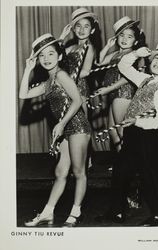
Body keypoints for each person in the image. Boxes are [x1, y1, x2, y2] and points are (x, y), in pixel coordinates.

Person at [96, 42, 158, 226]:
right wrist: (136, 53)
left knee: (149, 175)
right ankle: (117, 211)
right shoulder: (144, 79)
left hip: (148, 137)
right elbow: (123, 66)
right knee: (120, 171)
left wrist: (138, 121)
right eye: (156, 57)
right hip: (133, 134)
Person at [19, 33, 91, 227]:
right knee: (60, 172)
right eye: (42, 55)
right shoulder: (47, 82)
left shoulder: (61, 75)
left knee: (79, 171)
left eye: (51, 54)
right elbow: (23, 94)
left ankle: (76, 213)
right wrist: (28, 69)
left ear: (59, 57)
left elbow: (77, 101)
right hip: (66, 130)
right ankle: (47, 213)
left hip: (77, 126)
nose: (46, 58)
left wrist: (60, 124)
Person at [94, 16, 147, 152]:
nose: (124, 39)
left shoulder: (134, 54)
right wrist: (107, 46)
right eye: (121, 35)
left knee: (123, 132)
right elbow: (99, 62)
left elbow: (127, 78)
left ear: (135, 40)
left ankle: (130, 166)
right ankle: (121, 164)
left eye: (129, 36)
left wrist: (109, 88)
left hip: (124, 93)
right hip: (114, 93)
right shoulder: (115, 54)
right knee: (113, 132)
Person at [59, 7, 100, 117]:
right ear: (73, 29)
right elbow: (56, 57)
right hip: (68, 87)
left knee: (81, 125)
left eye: (86, 26)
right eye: (78, 26)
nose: (81, 30)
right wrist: (62, 37)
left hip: (79, 88)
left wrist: (65, 80)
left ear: (92, 30)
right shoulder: (72, 47)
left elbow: (86, 71)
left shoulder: (89, 47)